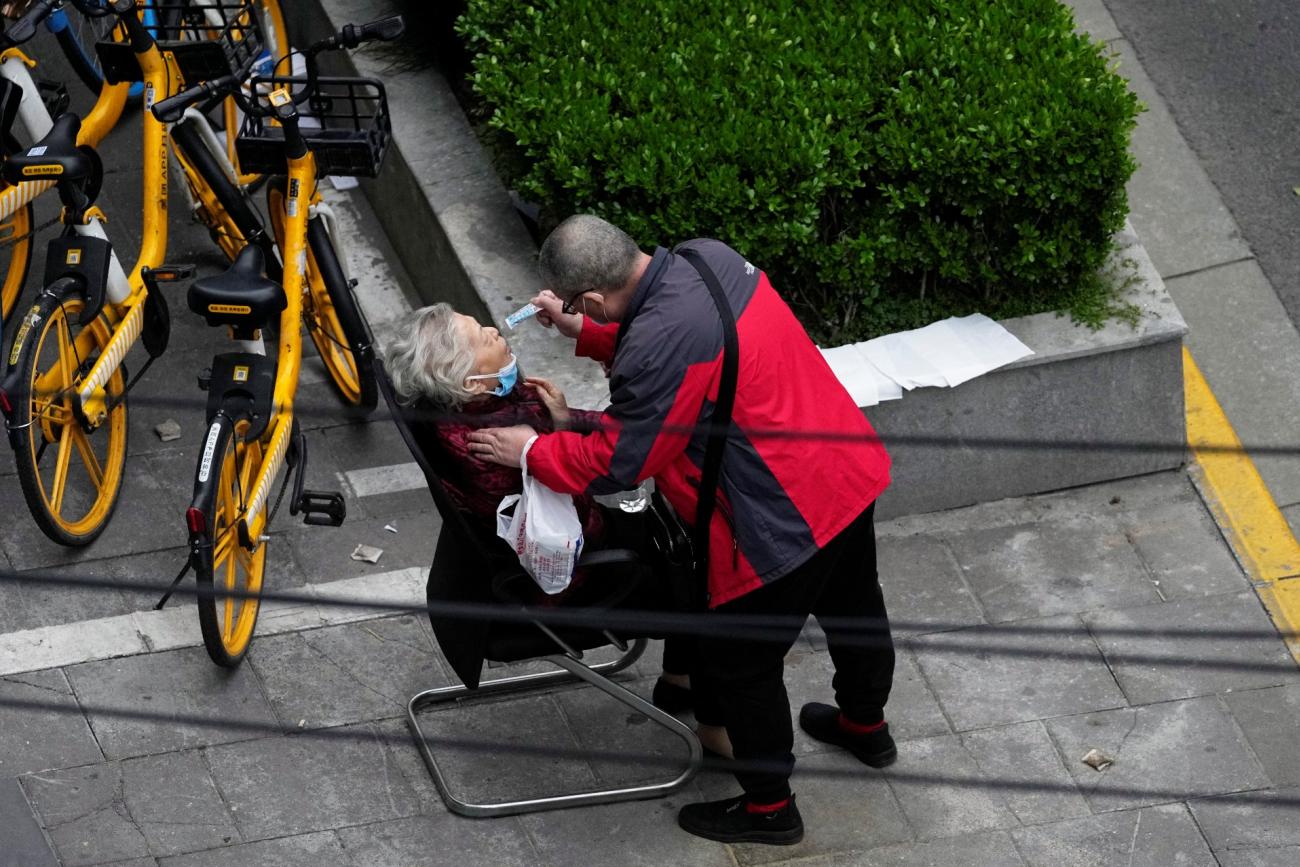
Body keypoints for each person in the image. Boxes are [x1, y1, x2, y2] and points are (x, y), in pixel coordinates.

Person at [468, 215, 896, 846]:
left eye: (583, 310)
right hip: (843, 471)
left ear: (589, 295)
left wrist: (531, 450)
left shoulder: (660, 340)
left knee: (741, 665)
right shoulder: (708, 258)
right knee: (856, 610)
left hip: (781, 518)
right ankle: (866, 727)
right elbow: (689, 355)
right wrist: (588, 332)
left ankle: (770, 810)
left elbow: (620, 464)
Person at [382, 302, 733, 757]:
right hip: (567, 576)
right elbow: (609, 466)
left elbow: (575, 441)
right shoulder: (494, 439)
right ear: (470, 382)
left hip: (555, 547)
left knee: (682, 542)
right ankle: (715, 725)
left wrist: (562, 422)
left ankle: (680, 681)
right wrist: (555, 439)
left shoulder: (473, 408)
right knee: (708, 579)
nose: (492, 328)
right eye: (480, 335)